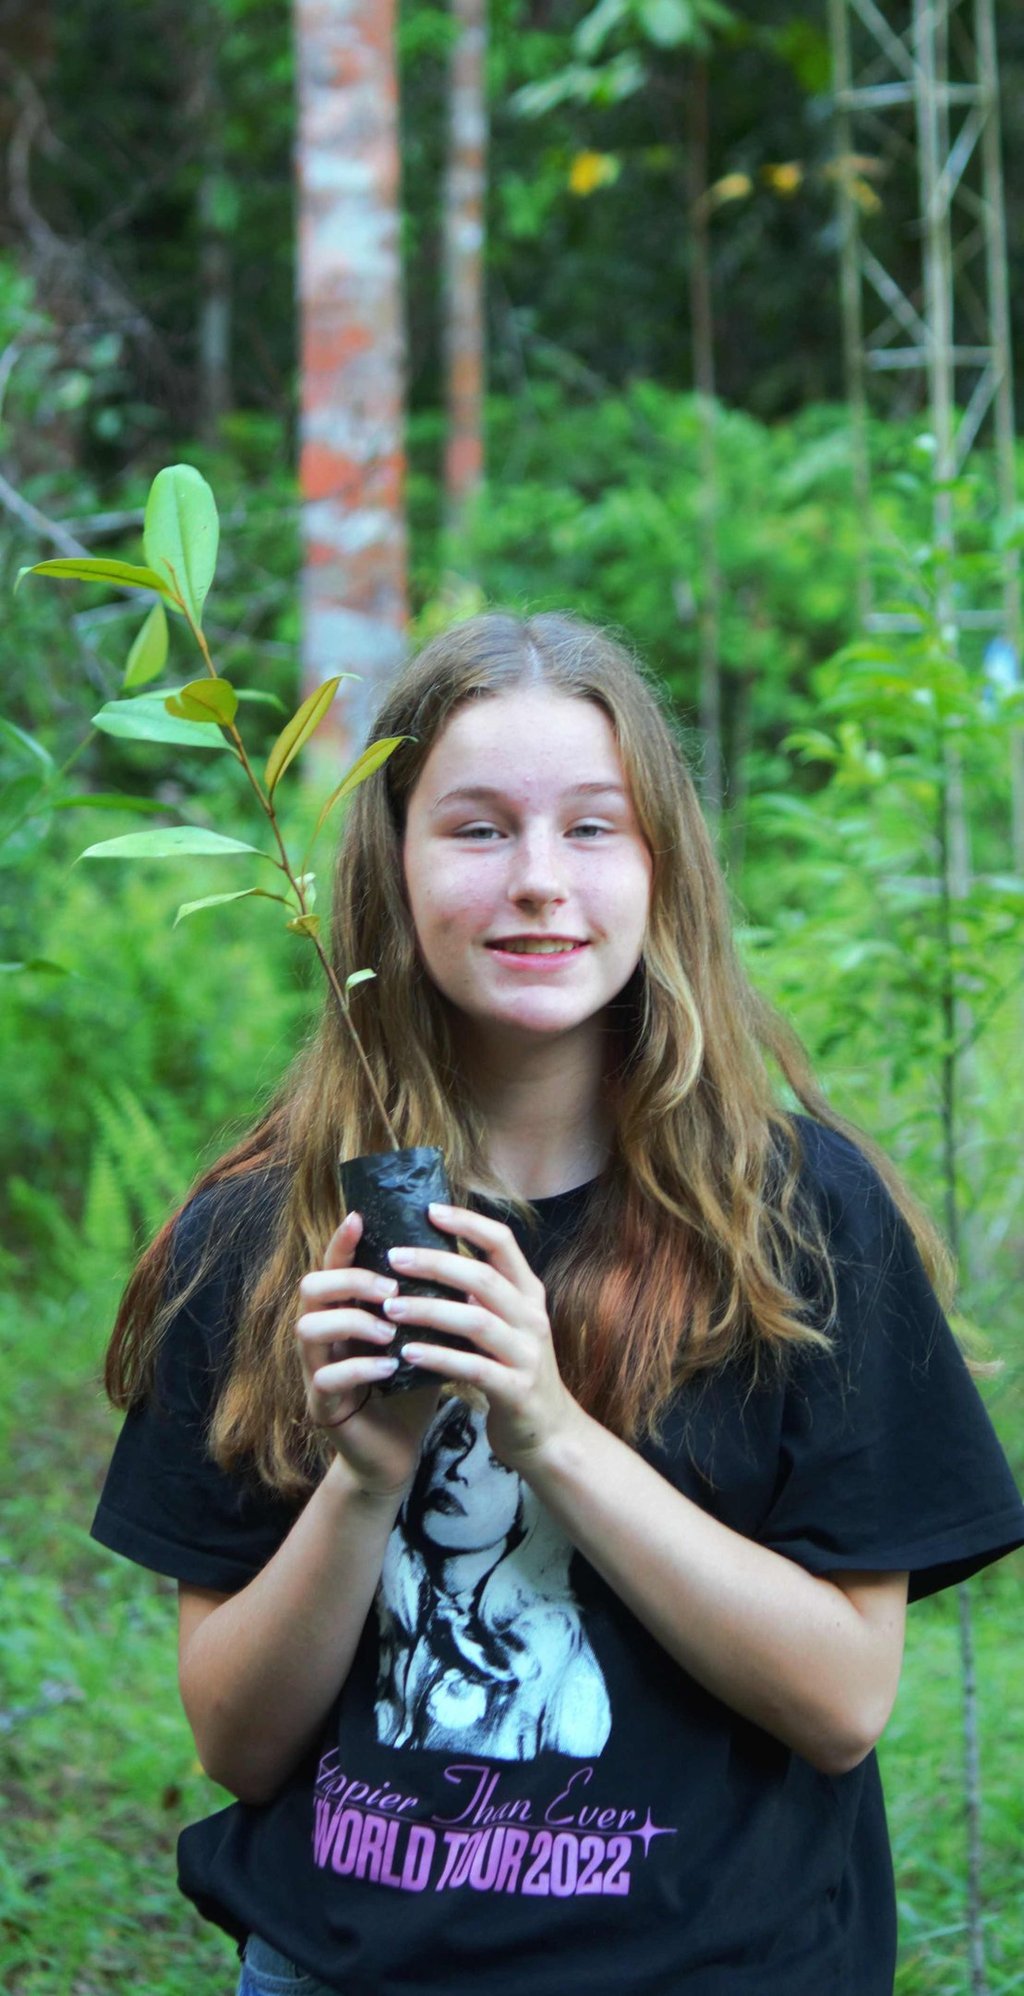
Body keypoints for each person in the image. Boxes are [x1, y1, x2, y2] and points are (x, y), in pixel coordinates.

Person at [91, 611, 1024, 1996]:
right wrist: (367, 1477)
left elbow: (843, 1702)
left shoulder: (800, 1219)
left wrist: (551, 1433)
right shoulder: (265, 1235)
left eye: (594, 828)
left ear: (662, 869)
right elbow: (238, 1743)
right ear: (392, 866)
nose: (540, 881)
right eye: (477, 829)